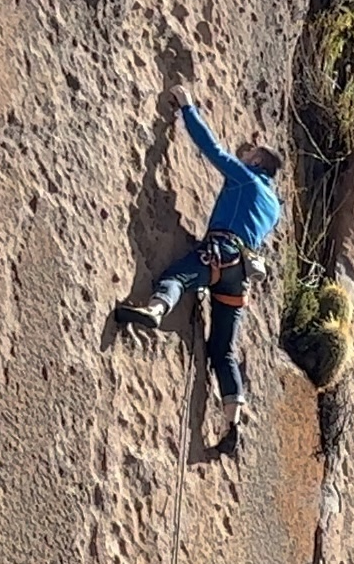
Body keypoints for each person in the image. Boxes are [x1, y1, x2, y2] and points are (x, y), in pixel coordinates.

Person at [113, 88, 287, 444]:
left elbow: (214, 151)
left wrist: (187, 109)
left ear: (257, 164)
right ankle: (232, 423)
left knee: (176, 275)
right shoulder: (275, 206)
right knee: (222, 349)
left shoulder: (246, 179)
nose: (245, 155)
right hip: (239, 277)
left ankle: (155, 310)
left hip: (218, 254)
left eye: (250, 154)